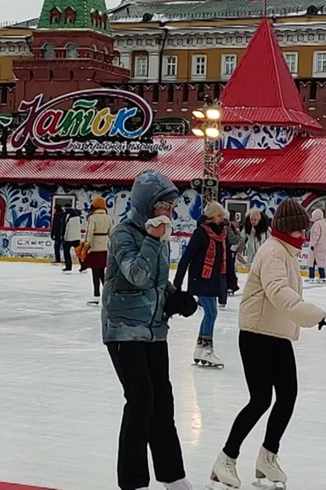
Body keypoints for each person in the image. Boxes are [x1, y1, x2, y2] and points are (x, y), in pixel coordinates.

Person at [210, 198, 326, 490]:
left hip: (276, 333)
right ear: (289, 229)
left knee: (287, 395)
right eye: (300, 231)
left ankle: (267, 457)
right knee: (261, 399)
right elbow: (277, 291)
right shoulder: (273, 253)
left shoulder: (285, 251)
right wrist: (309, 313)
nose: (304, 236)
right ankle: (226, 459)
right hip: (256, 333)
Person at [103, 170, 194, 490]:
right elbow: (136, 275)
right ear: (147, 204)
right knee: (141, 400)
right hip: (123, 330)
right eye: (164, 203)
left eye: (173, 204)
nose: (170, 210)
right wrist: (153, 239)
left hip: (154, 330)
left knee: (163, 403)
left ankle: (173, 476)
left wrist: (174, 297)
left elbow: (155, 283)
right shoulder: (124, 234)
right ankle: (132, 481)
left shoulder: (160, 235)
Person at [174, 201, 237, 368]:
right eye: (218, 215)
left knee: (211, 313)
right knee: (211, 313)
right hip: (200, 279)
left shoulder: (222, 234)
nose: (221, 218)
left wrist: (232, 280)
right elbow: (186, 257)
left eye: (222, 215)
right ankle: (205, 348)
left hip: (214, 280)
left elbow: (227, 259)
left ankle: (201, 348)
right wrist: (177, 282)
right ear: (210, 217)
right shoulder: (200, 233)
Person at [81, 196, 114, 306]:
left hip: (95, 247)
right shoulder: (108, 218)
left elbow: (89, 234)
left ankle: (96, 296)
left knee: (95, 273)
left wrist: (85, 247)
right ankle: (108, 295)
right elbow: (112, 234)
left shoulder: (93, 218)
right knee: (102, 273)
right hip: (105, 248)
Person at [306, 207, 326, 283]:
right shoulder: (323, 223)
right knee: (321, 261)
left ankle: (311, 276)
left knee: (311, 261)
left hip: (316, 246)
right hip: (322, 246)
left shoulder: (317, 224)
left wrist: (312, 244)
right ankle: (322, 276)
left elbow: (315, 235)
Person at [62, 205, 83, 272]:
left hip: (68, 237)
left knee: (66, 252)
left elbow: (65, 227)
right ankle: (83, 265)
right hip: (76, 237)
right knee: (79, 252)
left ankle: (68, 266)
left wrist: (63, 236)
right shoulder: (78, 217)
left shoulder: (67, 216)